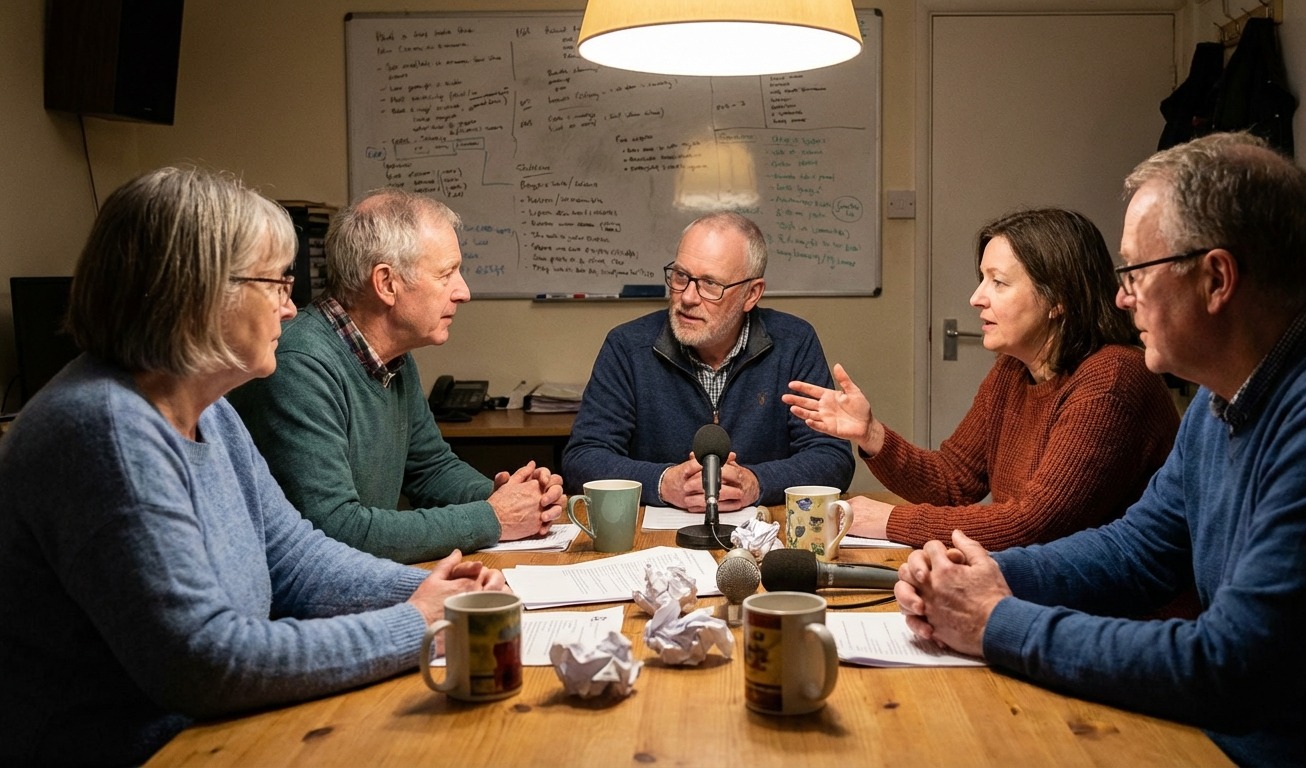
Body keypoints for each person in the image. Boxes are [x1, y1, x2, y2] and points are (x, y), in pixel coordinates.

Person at [895, 133, 1306, 767]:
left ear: (1216, 278)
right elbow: (1136, 551)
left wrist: (993, 621)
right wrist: (991, 578)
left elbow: (1230, 666)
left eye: (1136, 272)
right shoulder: (1226, 391)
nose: (1119, 297)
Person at [0, 167, 510, 765]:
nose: (291, 309)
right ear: (197, 293)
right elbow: (206, 661)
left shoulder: (206, 408)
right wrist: (413, 623)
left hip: (213, 731)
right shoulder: (106, 430)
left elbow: (294, 557)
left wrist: (426, 590)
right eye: (275, 284)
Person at [784, 208, 1179, 549]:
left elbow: (1033, 524)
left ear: (1058, 298)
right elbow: (953, 483)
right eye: (982, 279)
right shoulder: (1013, 370)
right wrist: (872, 435)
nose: (976, 297)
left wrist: (889, 522)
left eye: (999, 282)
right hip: (1047, 592)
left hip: (1126, 617)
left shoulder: (1112, 378)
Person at [228, 187, 562, 564]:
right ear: (387, 283)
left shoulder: (392, 356)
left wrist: (507, 497)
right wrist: (494, 517)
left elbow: (431, 469)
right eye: (447, 274)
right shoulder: (299, 364)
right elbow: (336, 529)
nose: (463, 292)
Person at [562, 211, 854, 511]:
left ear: (751, 294)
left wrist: (757, 482)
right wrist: (662, 483)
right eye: (680, 276)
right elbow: (583, 458)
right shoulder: (627, 347)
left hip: (763, 536)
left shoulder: (794, 343)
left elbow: (832, 457)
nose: (688, 297)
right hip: (655, 541)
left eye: (710, 285)